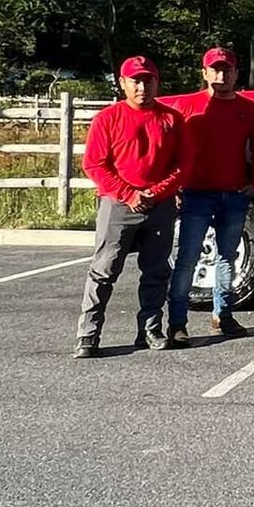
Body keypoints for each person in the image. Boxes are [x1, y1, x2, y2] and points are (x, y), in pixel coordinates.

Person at [74, 55, 187, 358]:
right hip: (118, 204)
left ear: (156, 82)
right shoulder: (108, 119)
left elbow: (182, 165)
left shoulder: (171, 119)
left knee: (156, 271)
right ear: (123, 83)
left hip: (159, 205)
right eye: (136, 80)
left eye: (148, 80)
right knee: (104, 270)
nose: (142, 86)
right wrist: (128, 193)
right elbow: (95, 164)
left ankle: (150, 329)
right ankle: (88, 334)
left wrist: (158, 191)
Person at [166, 47, 254, 344]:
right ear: (204, 72)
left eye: (227, 70)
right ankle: (177, 321)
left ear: (236, 74)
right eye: (215, 69)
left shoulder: (248, 109)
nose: (221, 75)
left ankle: (222, 314)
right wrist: (174, 186)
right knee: (188, 257)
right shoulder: (185, 107)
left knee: (228, 257)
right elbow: (171, 150)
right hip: (196, 194)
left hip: (234, 194)